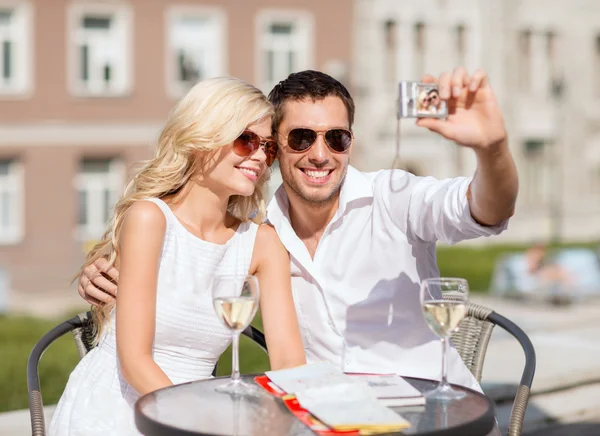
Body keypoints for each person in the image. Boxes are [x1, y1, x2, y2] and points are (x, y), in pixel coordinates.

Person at [79, 67, 518, 392]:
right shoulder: (262, 233)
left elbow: (486, 210)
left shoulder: (395, 198)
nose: (320, 153)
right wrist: (100, 269)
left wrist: (492, 149)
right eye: (300, 138)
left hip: (429, 407)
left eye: (337, 138)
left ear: (351, 141)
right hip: (329, 415)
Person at [51, 77, 305, 435]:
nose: (260, 157)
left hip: (204, 409)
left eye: (268, 148)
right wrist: (202, 422)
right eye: (246, 140)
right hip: (120, 408)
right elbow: (135, 361)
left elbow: (290, 363)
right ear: (203, 139)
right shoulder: (149, 219)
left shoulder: (263, 243)